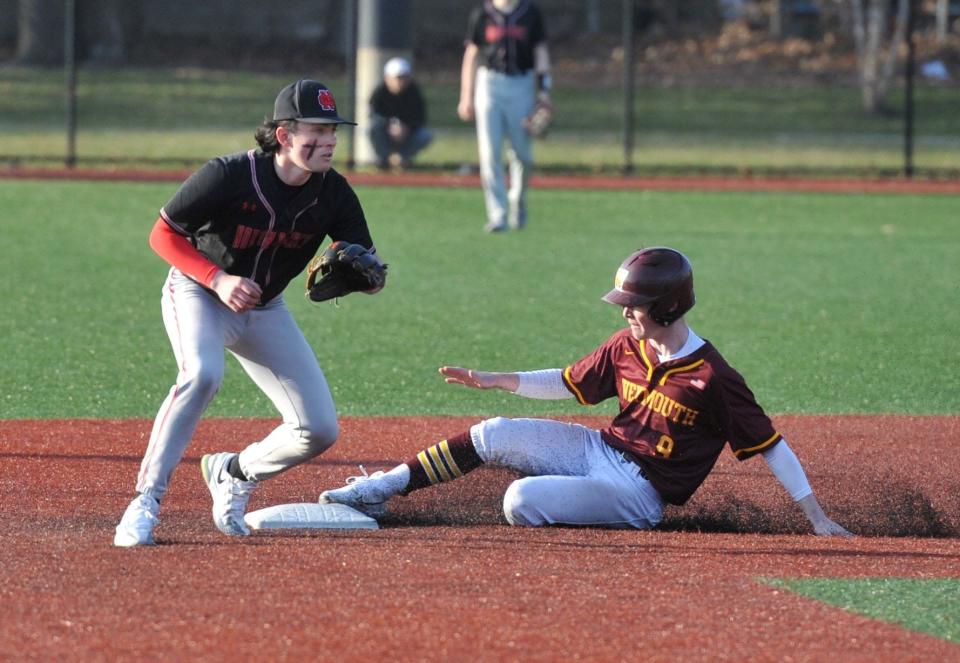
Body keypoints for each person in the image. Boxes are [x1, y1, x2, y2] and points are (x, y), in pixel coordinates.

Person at [321, 247, 852, 536]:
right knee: (493, 434)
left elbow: (771, 446)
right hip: (600, 451)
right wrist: (494, 380)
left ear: (667, 308)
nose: (625, 310)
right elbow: (569, 381)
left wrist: (817, 517)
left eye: (634, 304)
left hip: (640, 494)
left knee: (520, 500)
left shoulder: (714, 378)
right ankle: (381, 489)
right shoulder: (628, 344)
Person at [113, 79, 386, 547]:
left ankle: (234, 473)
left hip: (266, 309)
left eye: (333, 130)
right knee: (201, 375)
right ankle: (143, 503)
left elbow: (370, 265)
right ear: (284, 135)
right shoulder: (231, 175)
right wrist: (217, 278)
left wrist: (367, 276)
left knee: (317, 428)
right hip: (200, 293)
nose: (330, 141)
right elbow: (162, 235)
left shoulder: (334, 193)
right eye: (317, 131)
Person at [458, 0, 551, 233]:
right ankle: (497, 215)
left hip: (522, 83)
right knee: (490, 153)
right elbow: (472, 54)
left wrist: (544, 92)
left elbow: (540, 53)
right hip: (489, 83)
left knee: (523, 154)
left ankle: (517, 200)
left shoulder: (530, 12)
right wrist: (466, 96)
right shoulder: (483, 12)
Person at [367, 57, 433, 170]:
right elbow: (374, 114)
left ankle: (403, 159)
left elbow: (420, 117)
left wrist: (407, 127)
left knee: (425, 135)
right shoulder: (380, 93)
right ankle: (385, 160)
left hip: (407, 134)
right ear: (387, 78)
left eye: (404, 77)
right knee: (371, 129)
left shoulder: (414, 92)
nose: (400, 81)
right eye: (397, 78)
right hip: (385, 132)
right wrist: (390, 125)